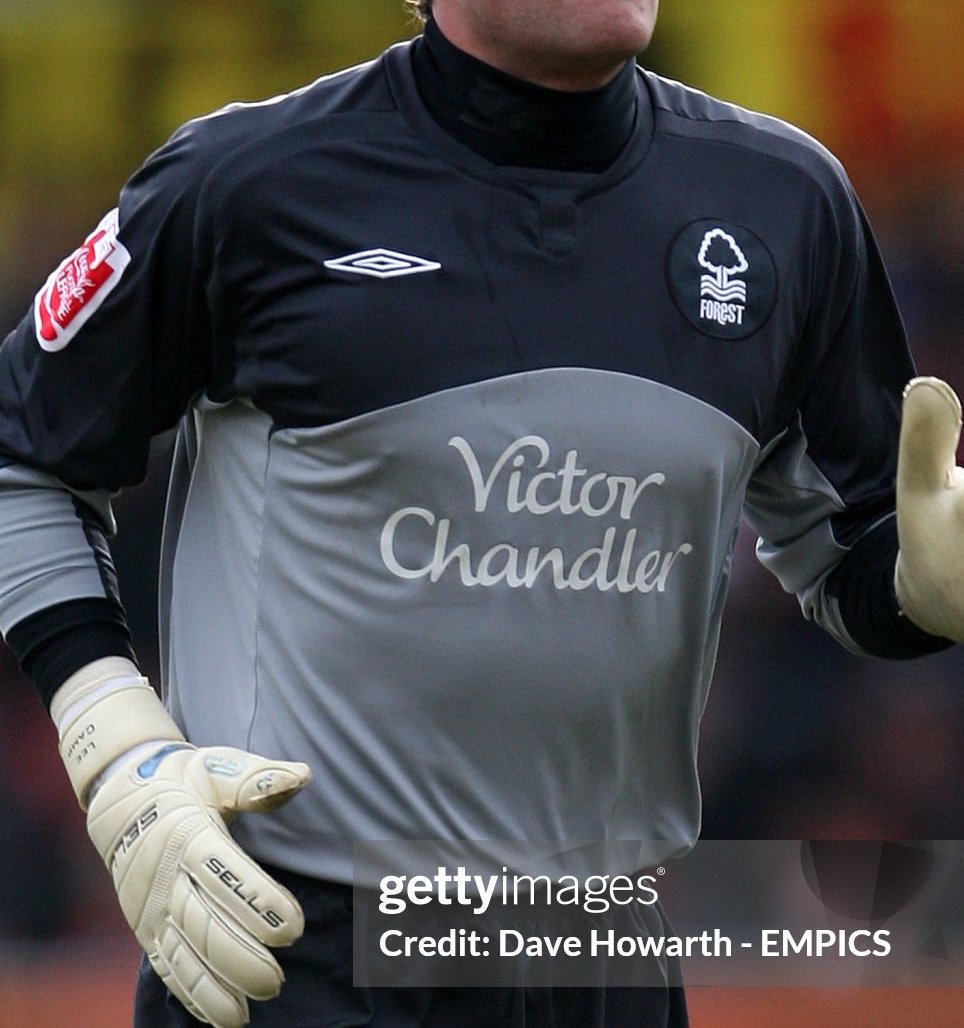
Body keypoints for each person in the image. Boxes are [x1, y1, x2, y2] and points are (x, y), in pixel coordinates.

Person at [1, 0, 962, 1025]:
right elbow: (23, 453)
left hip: (606, 957)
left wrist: (921, 586)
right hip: (289, 953)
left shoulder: (784, 201)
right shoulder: (245, 183)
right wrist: (116, 741)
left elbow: (852, 552)